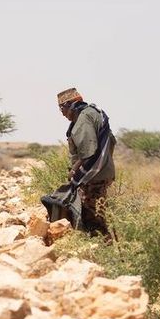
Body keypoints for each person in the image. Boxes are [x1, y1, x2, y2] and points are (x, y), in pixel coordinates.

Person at [57, 87, 117, 237]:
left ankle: (106, 251)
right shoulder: (92, 113)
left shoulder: (83, 119)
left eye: (62, 108)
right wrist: (103, 164)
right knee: (100, 212)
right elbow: (112, 142)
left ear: (70, 105)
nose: (62, 113)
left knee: (94, 217)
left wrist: (74, 171)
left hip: (94, 177)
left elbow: (88, 152)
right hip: (103, 172)